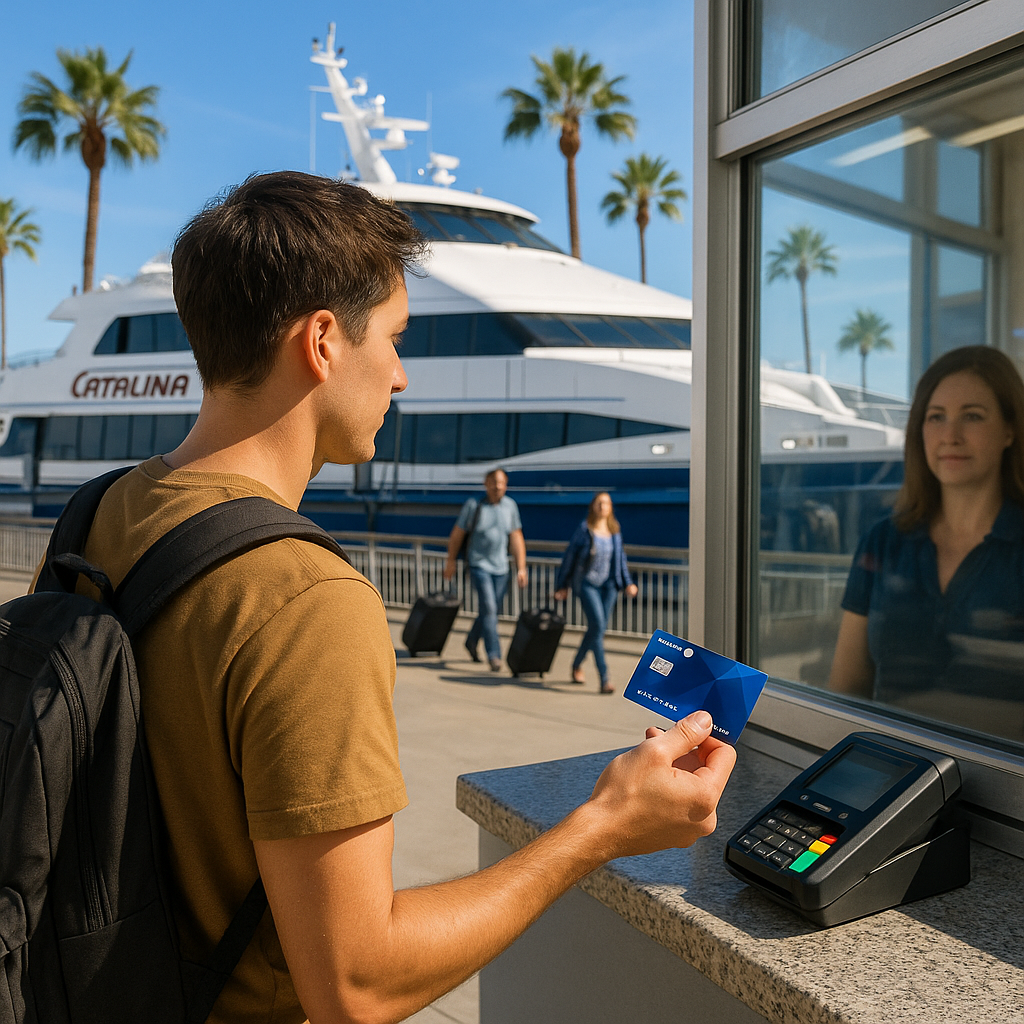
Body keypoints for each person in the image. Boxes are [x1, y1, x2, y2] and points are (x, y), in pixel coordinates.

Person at [66, 170, 736, 1024]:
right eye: (392, 337)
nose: (401, 377)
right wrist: (605, 825)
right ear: (321, 343)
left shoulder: (102, 509)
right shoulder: (303, 599)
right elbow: (356, 984)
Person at [830, 346, 1024, 737]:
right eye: (936, 417)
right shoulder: (883, 542)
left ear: (1009, 430)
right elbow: (847, 689)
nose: (950, 435)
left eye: (973, 416)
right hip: (890, 774)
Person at [554, 492, 639, 694]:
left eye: (607, 503)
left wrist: (628, 583)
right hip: (587, 584)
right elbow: (570, 558)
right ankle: (604, 678)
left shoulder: (614, 531)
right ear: (593, 506)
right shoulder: (585, 530)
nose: (603, 506)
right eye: (599, 503)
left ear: (610, 508)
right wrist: (561, 585)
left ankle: (576, 663)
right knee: (598, 626)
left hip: (609, 585)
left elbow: (620, 560)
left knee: (596, 629)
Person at [443, 467, 527, 671]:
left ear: (506, 485)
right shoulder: (474, 506)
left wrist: (521, 567)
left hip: (501, 568)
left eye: (501, 482)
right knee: (489, 608)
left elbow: (516, 537)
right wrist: (451, 561)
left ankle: (471, 641)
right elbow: (457, 535)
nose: (497, 486)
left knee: (489, 611)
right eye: (493, 482)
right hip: (479, 564)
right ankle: (494, 655)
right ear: (486, 484)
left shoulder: (510, 506)